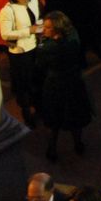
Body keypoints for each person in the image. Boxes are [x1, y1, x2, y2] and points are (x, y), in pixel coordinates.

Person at [38, 11, 93, 161]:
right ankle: (78, 144)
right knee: (75, 114)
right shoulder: (73, 37)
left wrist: (41, 43)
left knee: (54, 118)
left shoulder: (48, 47)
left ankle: (52, 148)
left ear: (57, 29)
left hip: (55, 85)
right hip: (74, 81)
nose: (44, 30)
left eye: (47, 27)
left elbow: (40, 64)